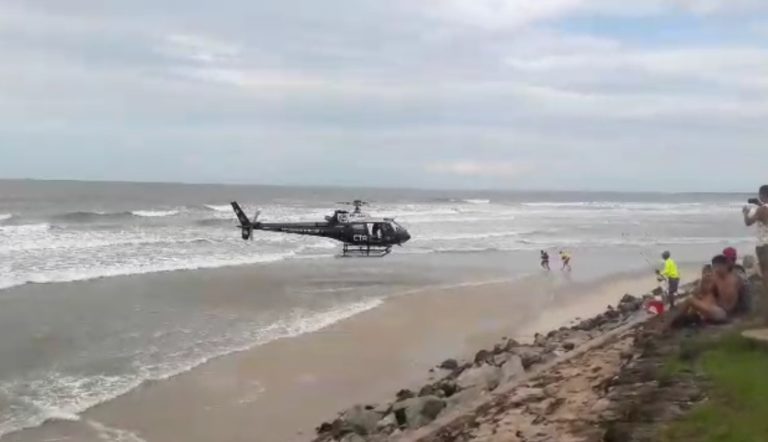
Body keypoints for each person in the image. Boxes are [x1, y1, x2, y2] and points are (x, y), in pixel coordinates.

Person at [743, 185, 768, 292]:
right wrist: (759, 204)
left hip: (764, 244)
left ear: (762, 195)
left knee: (765, 270)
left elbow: (748, 222)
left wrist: (745, 213)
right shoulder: (762, 207)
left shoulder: (761, 209)